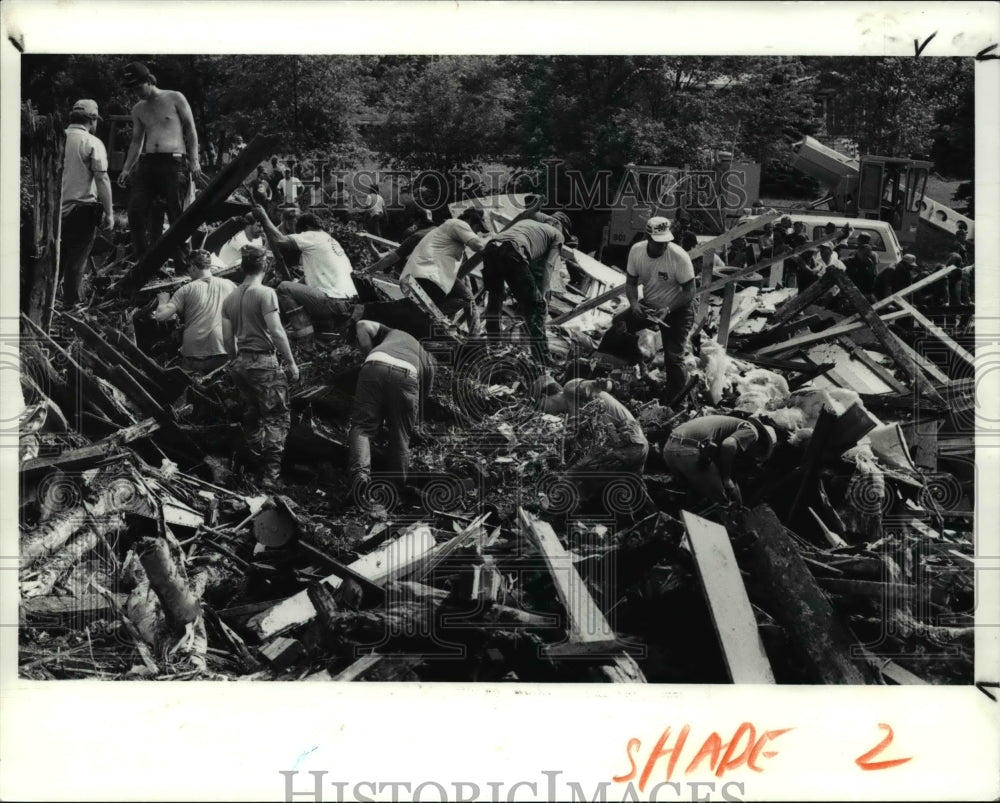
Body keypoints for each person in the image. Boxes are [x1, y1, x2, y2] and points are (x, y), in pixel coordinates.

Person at [221, 246, 299, 490]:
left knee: (252, 416)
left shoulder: (230, 298)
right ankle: (269, 477)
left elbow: (227, 339)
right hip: (264, 363)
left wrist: (236, 359)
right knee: (276, 418)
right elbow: (276, 331)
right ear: (265, 266)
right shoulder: (266, 293)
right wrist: (291, 362)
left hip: (241, 364)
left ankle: (250, 471)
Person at [596, 216, 695, 400]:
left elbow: (690, 291)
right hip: (650, 306)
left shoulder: (679, 256)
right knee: (618, 327)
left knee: (673, 357)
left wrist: (668, 309)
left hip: (678, 309)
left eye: (666, 242)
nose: (663, 246)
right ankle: (628, 368)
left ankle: (676, 400)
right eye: (658, 243)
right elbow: (631, 283)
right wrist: (634, 304)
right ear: (648, 238)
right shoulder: (637, 251)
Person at [118, 61, 201, 267]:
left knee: (176, 213)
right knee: (135, 210)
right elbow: (136, 141)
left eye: (138, 87)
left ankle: (183, 262)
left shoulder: (174, 97)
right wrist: (126, 168)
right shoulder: (138, 109)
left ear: (148, 80)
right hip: (148, 163)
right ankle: (143, 260)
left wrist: (195, 160)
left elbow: (190, 130)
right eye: (132, 89)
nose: (136, 92)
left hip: (173, 161)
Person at [349, 320, 436, 494]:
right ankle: (394, 489)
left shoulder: (391, 332)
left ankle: (360, 476)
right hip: (407, 374)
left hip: (375, 364)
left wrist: (368, 354)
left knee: (362, 427)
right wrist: (413, 422)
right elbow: (421, 400)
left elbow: (362, 324)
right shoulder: (429, 360)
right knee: (401, 436)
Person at [252, 207, 358, 341]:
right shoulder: (330, 240)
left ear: (307, 227)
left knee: (283, 287)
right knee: (290, 287)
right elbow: (310, 277)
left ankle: (305, 336)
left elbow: (281, 241)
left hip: (332, 300)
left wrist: (263, 216)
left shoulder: (312, 236)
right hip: (348, 301)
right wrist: (296, 285)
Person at [476, 216, 567, 365]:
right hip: (512, 250)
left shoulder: (527, 223)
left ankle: (494, 346)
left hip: (491, 248)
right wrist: (542, 294)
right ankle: (541, 358)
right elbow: (549, 265)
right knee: (536, 305)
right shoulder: (557, 234)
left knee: (495, 298)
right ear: (556, 224)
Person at [59, 99, 114, 307]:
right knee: (77, 259)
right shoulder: (91, 142)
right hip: (80, 209)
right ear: (92, 119)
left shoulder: (59, 137)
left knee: (56, 257)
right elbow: (102, 178)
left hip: (52, 211)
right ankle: (71, 304)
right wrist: (109, 213)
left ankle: (47, 300)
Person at [662, 414, 776, 513]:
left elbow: (732, 480)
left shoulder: (728, 427)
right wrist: (726, 479)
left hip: (670, 449)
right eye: (758, 453)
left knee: (693, 496)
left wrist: (740, 505)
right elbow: (729, 445)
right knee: (723, 505)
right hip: (687, 451)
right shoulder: (752, 431)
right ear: (761, 444)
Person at [152, 249, 236, 374]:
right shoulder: (230, 285)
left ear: (194, 267)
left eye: (188, 267)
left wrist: (163, 300)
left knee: (186, 387)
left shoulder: (186, 289)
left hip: (194, 354)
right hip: (223, 350)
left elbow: (160, 316)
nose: (188, 271)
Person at [400, 207, 488, 319]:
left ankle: (430, 316)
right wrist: (492, 241)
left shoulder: (450, 231)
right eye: (478, 228)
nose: (477, 232)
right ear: (470, 219)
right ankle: (430, 317)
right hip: (428, 276)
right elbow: (478, 246)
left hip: (425, 275)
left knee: (459, 295)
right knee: (466, 297)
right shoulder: (458, 224)